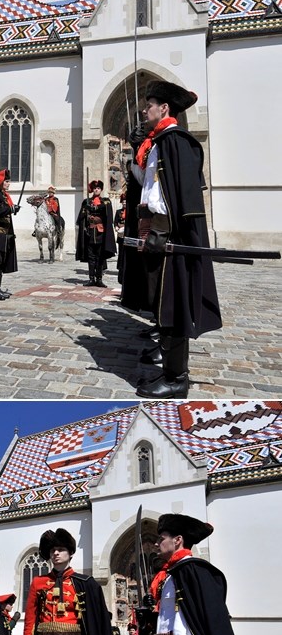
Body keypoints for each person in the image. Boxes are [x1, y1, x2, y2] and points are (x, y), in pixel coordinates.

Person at [124, 76, 222, 399]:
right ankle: (170, 368)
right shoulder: (158, 143)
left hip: (168, 234)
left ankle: (176, 377)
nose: (144, 112)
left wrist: (165, 232)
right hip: (156, 231)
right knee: (162, 305)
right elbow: (152, 188)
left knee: (172, 305)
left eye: (148, 107)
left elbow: (177, 198)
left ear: (164, 108)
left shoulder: (174, 141)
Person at [76, 179, 116, 285]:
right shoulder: (86, 201)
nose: (96, 190)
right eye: (94, 188)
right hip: (89, 233)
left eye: (98, 188)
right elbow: (80, 217)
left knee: (100, 257)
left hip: (101, 234)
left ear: (101, 190)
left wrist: (99, 207)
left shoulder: (106, 201)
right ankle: (91, 279)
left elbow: (108, 215)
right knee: (91, 257)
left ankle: (99, 279)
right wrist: (86, 209)